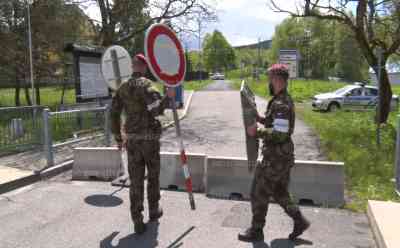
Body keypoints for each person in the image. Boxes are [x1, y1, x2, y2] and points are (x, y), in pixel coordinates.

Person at [238, 64, 310, 242]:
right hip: (282, 157)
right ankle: (299, 220)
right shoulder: (281, 100)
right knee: (279, 192)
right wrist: (260, 118)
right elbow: (275, 124)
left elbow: (280, 134)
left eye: (271, 78)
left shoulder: (281, 103)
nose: (269, 82)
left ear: (278, 80)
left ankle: (256, 230)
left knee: (258, 192)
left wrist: (257, 132)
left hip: (275, 158)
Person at [111, 53, 175, 234]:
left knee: (136, 181)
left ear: (133, 66)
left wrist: (118, 138)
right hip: (149, 142)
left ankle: (137, 220)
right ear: (145, 67)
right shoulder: (147, 85)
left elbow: (113, 114)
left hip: (132, 142)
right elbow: (156, 110)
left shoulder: (122, 88)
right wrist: (168, 97)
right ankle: (154, 211)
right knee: (153, 177)